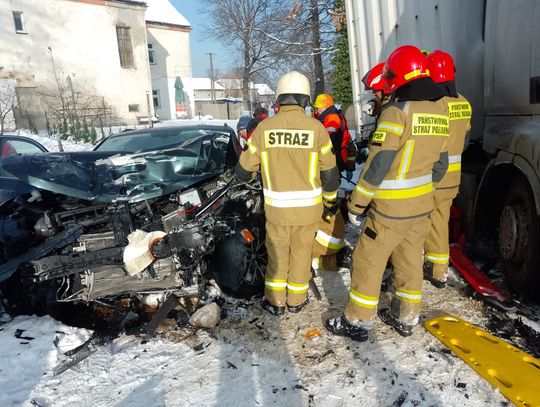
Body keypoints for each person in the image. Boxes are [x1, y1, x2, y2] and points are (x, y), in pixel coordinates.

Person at [325, 45, 449, 340]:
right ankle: (405, 316)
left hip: (391, 209)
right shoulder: (439, 111)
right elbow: (440, 165)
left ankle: (357, 321)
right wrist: (420, 191)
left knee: (368, 259)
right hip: (422, 206)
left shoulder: (397, 112)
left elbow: (379, 165)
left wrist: (357, 205)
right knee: (409, 260)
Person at [235, 71, 340, 315]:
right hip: (309, 211)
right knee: (302, 254)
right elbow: (330, 174)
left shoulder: (264, 128)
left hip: (277, 211)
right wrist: (331, 202)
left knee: (278, 256)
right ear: (305, 99)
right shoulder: (317, 129)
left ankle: (275, 302)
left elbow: (243, 171)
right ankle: (296, 301)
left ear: (279, 98)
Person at [423, 50, 472, 288]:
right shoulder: (463, 102)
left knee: (430, 222)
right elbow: (464, 141)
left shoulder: (434, 106)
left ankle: (436, 269)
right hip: (454, 175)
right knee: (440, 219)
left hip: (434, 175)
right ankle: (438, 267)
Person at [313, 93, 354, 172]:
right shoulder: (336, 115)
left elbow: (326, 141)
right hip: (339, 156)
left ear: (324, 106)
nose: (316, 111)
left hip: (334, 159)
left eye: (318, 108)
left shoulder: (332, 118)